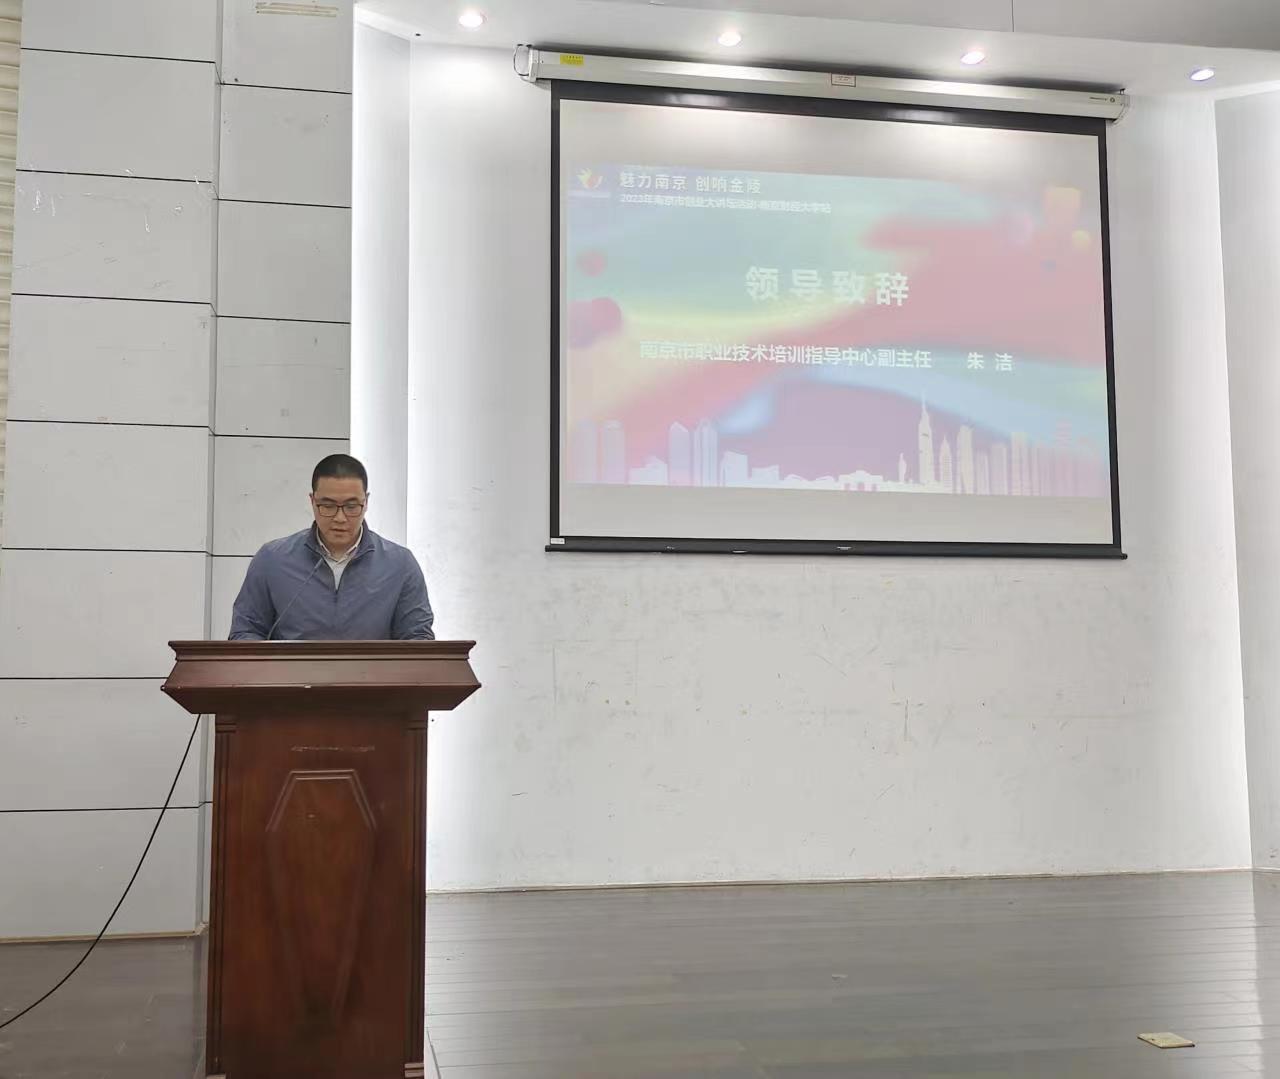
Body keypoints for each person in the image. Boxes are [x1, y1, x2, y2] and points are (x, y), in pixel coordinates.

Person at [228, 453, 434, 641]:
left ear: (366, 502)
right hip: (292, 671)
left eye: (351, 507)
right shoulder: (272, 560)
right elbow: (244, 632)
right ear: (312, 501)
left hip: (372, 672)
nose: (340, 518)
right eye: (327, 506)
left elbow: (418, 639)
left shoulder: (400, 564)